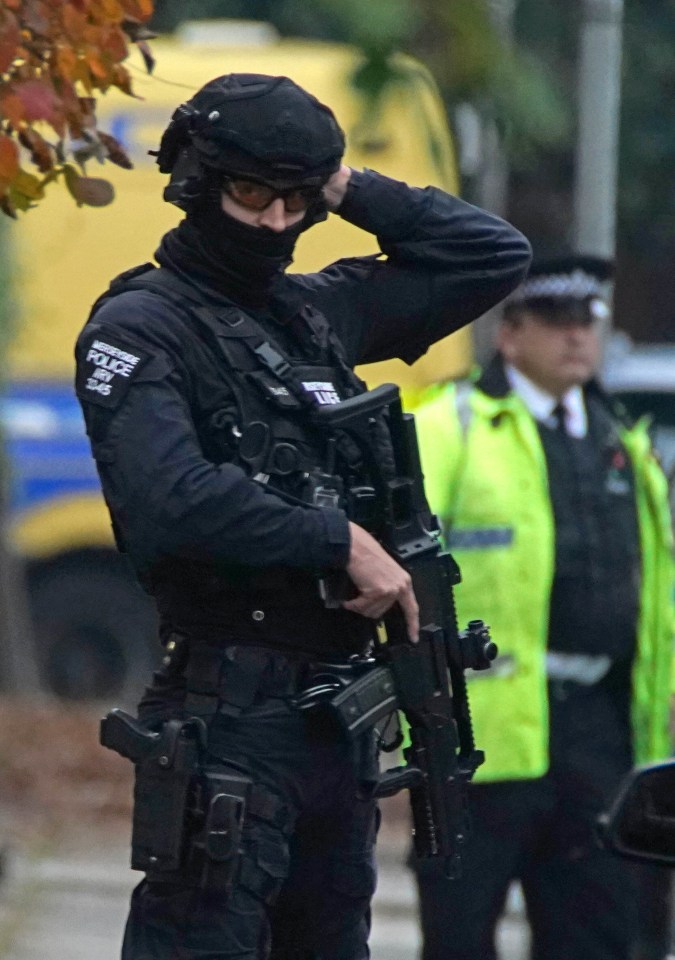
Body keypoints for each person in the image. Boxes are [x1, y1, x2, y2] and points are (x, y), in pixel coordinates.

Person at [74, 73, 531, 960]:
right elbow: (169, 499)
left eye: (297, 202)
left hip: (336, 727)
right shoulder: (142, 328)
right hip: (227, 724)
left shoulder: (312, 312)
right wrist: (337, 541)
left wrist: (345, 185)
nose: (277, 225)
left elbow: (490, 255)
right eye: (253, 195)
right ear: (198, 182)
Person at [411, 255, 674, 960]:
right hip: (481, 733)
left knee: (597, 933)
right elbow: (396, 560)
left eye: (586, 323)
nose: (575, 339)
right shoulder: (452, 427)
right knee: (459, 936)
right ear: (510, 336)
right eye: (555, 323)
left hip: (598, 728)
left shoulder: (622, 442)